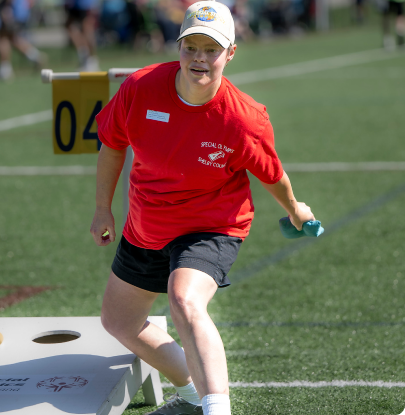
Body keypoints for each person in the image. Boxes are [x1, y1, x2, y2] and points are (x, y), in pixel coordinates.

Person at [91, 1, 316, 414]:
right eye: (190, 46)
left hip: (214, 224)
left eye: (211, 49)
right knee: (118, 322)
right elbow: (111, 145)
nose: (199, 58)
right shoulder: (140, 88)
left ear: (230, 53)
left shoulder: (245, 119)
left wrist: (296, 207)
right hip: (148, 222)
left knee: (185, 299)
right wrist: (103, 208)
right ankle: (193, 395)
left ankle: (217, 408)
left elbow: (272, 174)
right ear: (178, 47)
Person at [0, 0, 46, 80]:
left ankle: (5, 70)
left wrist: (5, 10)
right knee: (13, 39)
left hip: (13, 12)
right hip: (20, 11)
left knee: (3, 37)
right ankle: (36, 56)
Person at [64, 0, 100, 71]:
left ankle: (90, 60)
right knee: (71, 26)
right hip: (75, 4)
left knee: (87, 28)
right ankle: (85, 56)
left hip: (84, 4)